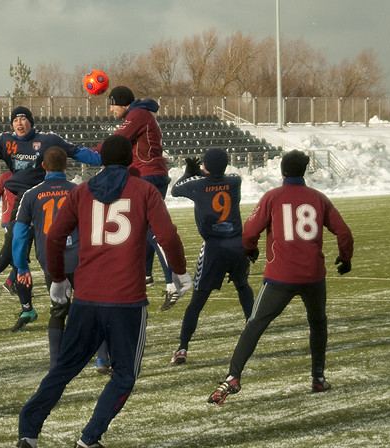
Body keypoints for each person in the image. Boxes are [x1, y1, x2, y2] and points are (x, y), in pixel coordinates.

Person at [17, 135, 192, 448]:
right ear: (130, 161)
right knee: (124, 375)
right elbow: (166, 235)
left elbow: (55, 236)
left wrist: (58, 278)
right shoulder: (144, 190)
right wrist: (179, 271)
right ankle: (89, 439)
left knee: (64, 369)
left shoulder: (83, 191)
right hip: (126, 299)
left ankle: (28, 431)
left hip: (87, 296)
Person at [208, 150, 354, 405]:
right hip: (313, 276)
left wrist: (250, 250)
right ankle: (318, 378)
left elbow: (249, 233)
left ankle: (233, 376)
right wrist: (346, 258)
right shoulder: (319, 198)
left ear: (282, 172)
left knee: (255, 324)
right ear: (304, 171)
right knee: (318, 323)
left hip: (281, 276)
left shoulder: (273, 197)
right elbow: (344, 233)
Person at [0, 106, 101, 328]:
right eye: (16, 120)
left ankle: (68, 301)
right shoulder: (4, 141)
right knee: (16, 251)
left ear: (31, 122)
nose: (20, 123)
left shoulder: (47, 139)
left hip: (45, 198)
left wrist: (103, 159)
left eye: (24, 119)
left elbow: (76, 151)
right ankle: (28, 308)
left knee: (52, 252)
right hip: (22, 201)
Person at [167, 148, 254, 365]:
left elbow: (175, 191)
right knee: (243, 286)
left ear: (205, 166)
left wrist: (189, 172)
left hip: (214, 248)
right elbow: (222, 179)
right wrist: (206, 173)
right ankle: (253, 329)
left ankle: (183, 347)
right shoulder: (235, 182)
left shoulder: (196, 184)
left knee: (198, 300)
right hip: (237, 245)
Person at [92, 86, 176, 300]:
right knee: (141, 228)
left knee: (151, 230)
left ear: (122, 103)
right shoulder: (140, 113)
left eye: (112, 104)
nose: (110, 109)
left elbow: (115, 142)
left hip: (148, 175)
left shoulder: (137, 114)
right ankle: (145, 274)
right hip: (150, 175)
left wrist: (85, 153)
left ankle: (173, 280)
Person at [11, 147, 78, 357]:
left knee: (58, 310)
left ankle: (56, 362)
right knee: (92, 307)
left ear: (43, 166)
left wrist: (21, 267)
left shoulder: (31, 194)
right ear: (66, 165)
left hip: (51, 260)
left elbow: (19, 234)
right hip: (80, 258)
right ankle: (102, 359)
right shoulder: (79, 191)